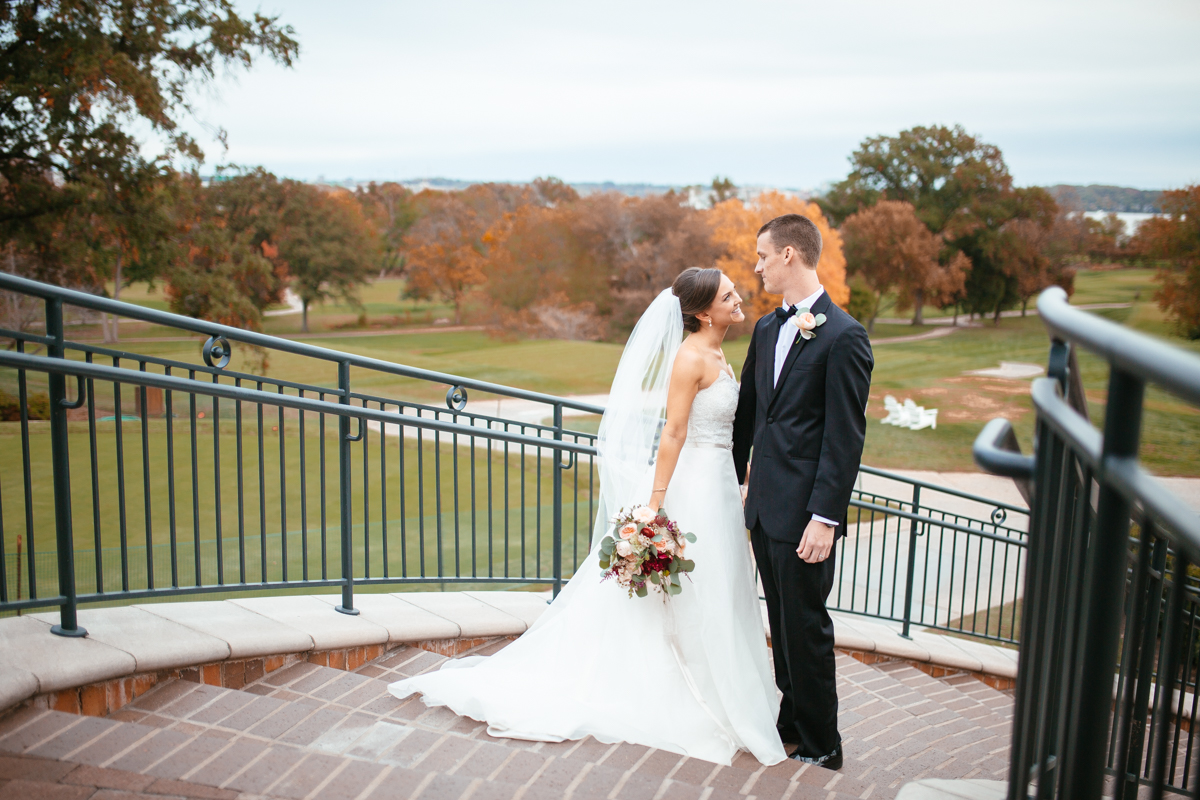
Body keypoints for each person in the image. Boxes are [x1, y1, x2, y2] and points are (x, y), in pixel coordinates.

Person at [387, 268, 787, 767]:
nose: (739, 298)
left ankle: (727, 686)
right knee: (701, 588)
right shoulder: (690, 358)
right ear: (704, 312)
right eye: (729, 295)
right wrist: (655, 506)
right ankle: (698, 694)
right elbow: (673, 433)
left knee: (722, 587)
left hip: (721, 484)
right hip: (694, 486)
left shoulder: (719, 350)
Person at [732, 214, 873, 769]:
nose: (758, 265)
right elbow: (750, 418)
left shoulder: (844, 336)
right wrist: (732, 483)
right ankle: (790, 725)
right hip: (764, 507)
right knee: (782, 626)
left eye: (763, 255)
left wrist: (825, 517)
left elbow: (845, 437)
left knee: (806, 628)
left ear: (789, 255)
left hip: (806, 516)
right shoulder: (767, 328)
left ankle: (823, 745)